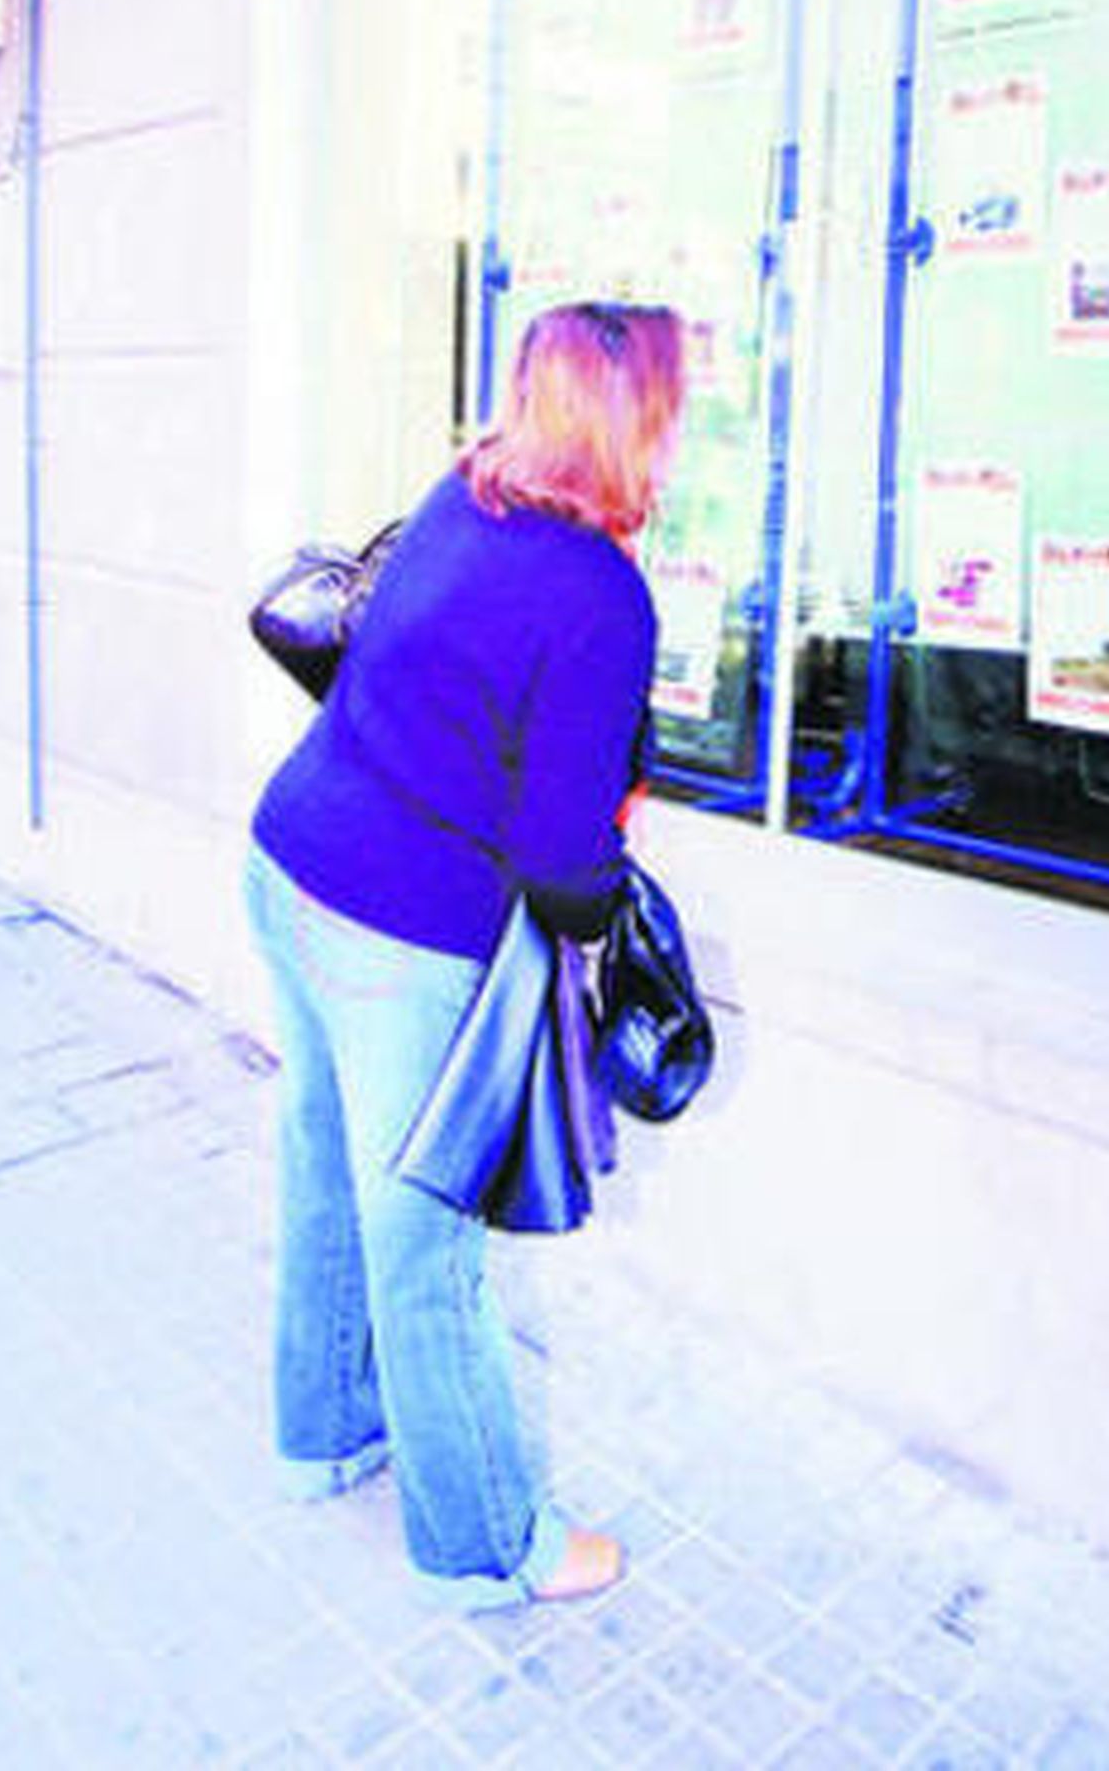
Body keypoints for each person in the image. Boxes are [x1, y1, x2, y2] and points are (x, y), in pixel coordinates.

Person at [244, 299, 685, 1610]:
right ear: (632, 420)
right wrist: (619, 914)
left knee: (329, 1171)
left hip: (291, 859)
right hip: (398, 931)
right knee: (425, 1240)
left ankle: (324, 1438)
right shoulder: (603, 594)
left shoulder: (465, 493)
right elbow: (559, 854)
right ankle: (486, 1543)